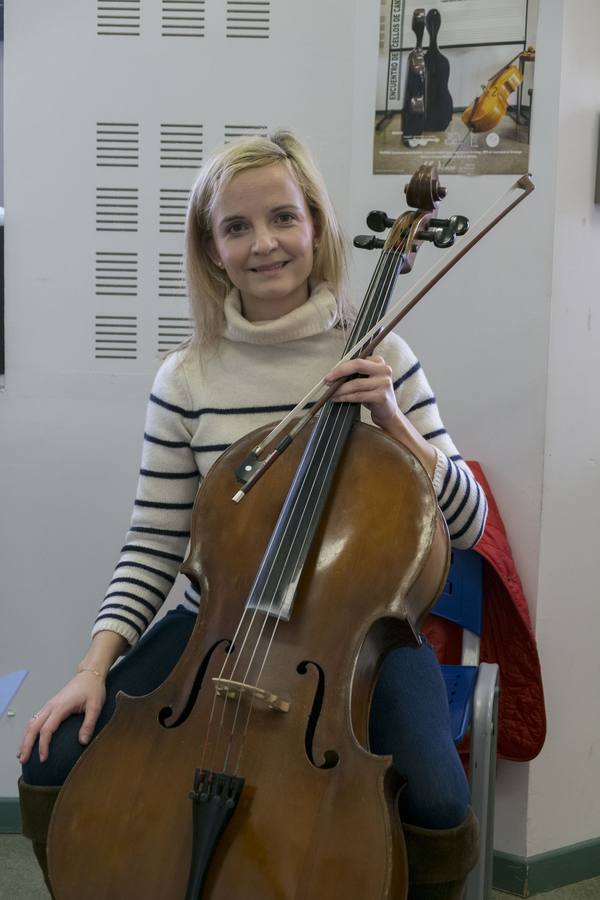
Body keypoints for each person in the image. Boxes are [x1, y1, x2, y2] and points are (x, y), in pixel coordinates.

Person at [18, 130, 485, 899]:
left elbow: (467, 527)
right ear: (211, 248)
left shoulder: (382, 356)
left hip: (360, 642)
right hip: (219, 634)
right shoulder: (187, 378)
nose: (263, 243)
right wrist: (91, 668)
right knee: (52, 755)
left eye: (282, 219)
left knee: (438, 800)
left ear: (316, 227)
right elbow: (154, 542)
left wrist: (396, 425)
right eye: (236, 227)